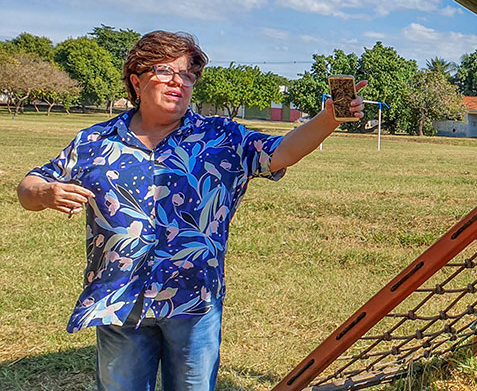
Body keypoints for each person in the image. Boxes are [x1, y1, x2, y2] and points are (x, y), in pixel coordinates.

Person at [16, 31, 365, 391]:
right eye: (165, 70)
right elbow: (28, 187)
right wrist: (44, 192)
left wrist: (328, 120)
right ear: (136, 80)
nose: (178, 82)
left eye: (187, 75)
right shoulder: (94, 142)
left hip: (193, 299)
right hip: (119, 298)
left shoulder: (220, 137)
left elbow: (282, 152)